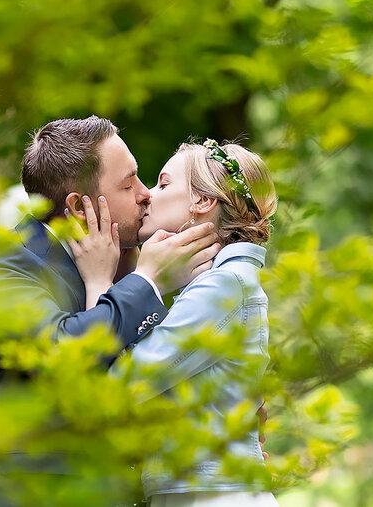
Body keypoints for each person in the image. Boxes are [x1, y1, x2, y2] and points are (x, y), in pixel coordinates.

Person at [0, 117, 221, 507]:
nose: (146, 194)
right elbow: (59, 353)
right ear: (80, 207)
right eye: (129, 184)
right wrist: (148, 281)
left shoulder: (122, 268)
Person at [72, 138, 279, 507]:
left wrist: (99, 283)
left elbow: (117, 391)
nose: (148, 195)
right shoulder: (213, 285)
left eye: (164, 183)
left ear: (203, 201)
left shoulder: (225, 286)